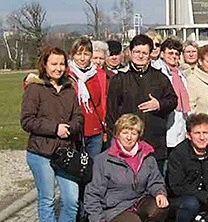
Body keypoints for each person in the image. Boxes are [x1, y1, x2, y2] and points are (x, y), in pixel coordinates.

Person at [21, 46, 83, 222]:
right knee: (47, 199)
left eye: (61, 64)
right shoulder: (35, 89)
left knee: (71, 198)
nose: (58, 68)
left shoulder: (69, 89)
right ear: (45, 65)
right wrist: (54, 128)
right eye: (54, 64)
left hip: (66, 153)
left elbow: (78, 118)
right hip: (41, 153)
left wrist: (71, 128)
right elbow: (27, 121)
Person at [84, 114, 169, 222]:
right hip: (115, 209)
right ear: (117, 134)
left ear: (138, 135)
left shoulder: (147, 156)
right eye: (125, 132)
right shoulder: (103, 160)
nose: (129, 137)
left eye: (133, 132)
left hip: (139, 201)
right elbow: (92, 195)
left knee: (161, 207)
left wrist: (160, 192)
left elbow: (156, 180)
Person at [106, 34, 178, 172]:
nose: (140, 56)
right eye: (137, 52)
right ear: (130, 52)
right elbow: (111, 112)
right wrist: (114, 140)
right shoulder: (120, 78)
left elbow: (173, 100)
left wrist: (159, 105)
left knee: (154, 185)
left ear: (150, 54)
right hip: (127, 144)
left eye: (144, 53)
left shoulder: (160, 77)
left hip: (154, 142)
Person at [67, 37, 108, 159]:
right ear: (72, 55)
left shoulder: (98, 74)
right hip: (74, 129)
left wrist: (104, 128)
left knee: (93, 168)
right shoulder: (66, 74)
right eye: (79, 54)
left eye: (86, 54)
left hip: (95, 129)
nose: (82, 58)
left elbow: (102, 102)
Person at [153, 38, 190, 154]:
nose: (174, 56)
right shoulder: (158, 72)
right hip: (164, 122)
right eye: (170, 53)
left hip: (180, 123)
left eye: (176, 54)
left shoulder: (179, 74)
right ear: (163, 53)